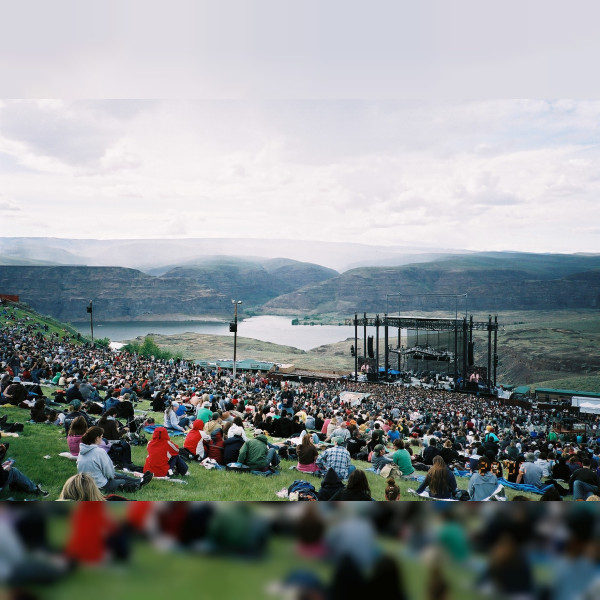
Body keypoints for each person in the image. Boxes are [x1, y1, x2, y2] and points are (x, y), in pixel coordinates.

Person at [77, 426, 153, 493]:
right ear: (97, 438)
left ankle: (140, 481)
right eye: (101, 437)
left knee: (118, 475)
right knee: (122, 480)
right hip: (100, 487)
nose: (102, 439)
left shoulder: (82, 451)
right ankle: (137, 485)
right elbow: (109, 473)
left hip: (86, 485)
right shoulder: (99, 452)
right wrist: (111, 476)